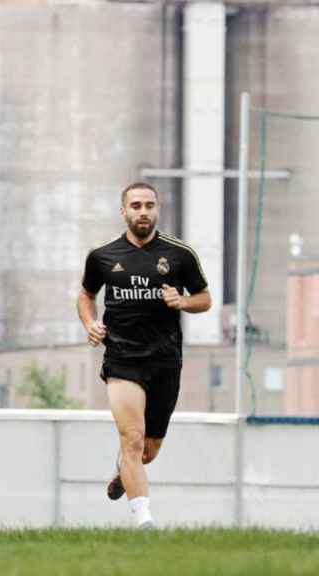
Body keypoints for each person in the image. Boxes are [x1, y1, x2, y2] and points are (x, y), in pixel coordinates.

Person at [78, 182, 211, 528]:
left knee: (148, 450)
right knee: (132, 439)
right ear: (123, 211)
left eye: (149, 205)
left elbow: (205, 299)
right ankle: (143, 519)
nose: (143, 211)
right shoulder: (103, 256)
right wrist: (90, 323)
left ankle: (125, 471)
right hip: (123, 358)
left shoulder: (180, 254)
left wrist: (182, 301)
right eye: (135, 205)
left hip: (165, 359)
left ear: (157, 210)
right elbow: (85, 295)